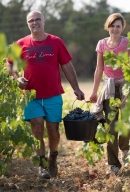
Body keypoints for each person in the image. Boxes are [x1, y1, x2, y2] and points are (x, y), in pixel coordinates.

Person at [6, 10, 85, 179]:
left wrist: (76, 88)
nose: (34, 23)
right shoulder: (21, 44)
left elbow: (67, 66)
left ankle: (53, 157)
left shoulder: (56, 42)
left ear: (44, 21)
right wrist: (16, 78)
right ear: (28, 24)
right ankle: (41, 165)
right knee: (36, 127)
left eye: (37, 19)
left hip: (53, 95)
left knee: (53, 131)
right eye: (31, 21)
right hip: (31, 96)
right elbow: (10, 65)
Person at [89, 13, 130, 175]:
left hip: (126, 88)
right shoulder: (102, 44)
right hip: (110, 89)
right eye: (112, 26)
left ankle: (125, 148)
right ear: (108, 27)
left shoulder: (127, 43)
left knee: (126, 124)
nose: (115, 29)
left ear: (122, 28)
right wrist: (94, 91)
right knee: (111, 127)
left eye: (118, 26)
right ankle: (113, 164)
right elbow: (99, 69)